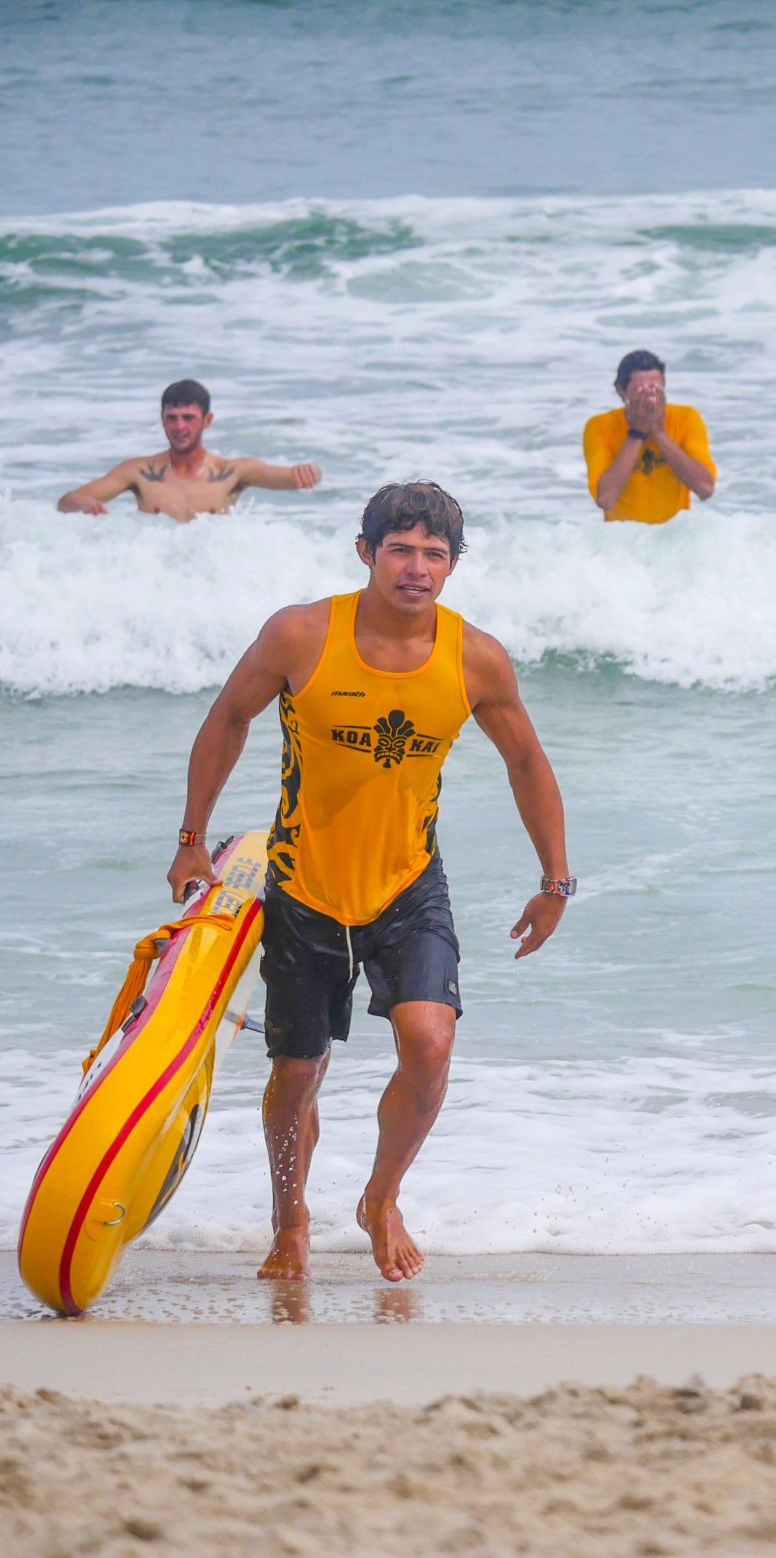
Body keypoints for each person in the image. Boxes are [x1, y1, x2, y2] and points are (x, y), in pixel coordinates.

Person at [165, 480, 573, 1284]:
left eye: (433, 554)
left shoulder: (474, 657)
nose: (416, 567)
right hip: (301, 886)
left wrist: (554, 882)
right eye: (400, 549)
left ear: (453, 566)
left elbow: (525, 760)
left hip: (408, 884)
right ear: (366, 553)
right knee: (296, 1076)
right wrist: (190, 840)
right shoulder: (301, 635)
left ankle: (380, 1198)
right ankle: (290, 1223)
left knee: (428, 1045)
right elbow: (227, 718)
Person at [56, 378, 322, 521]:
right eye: (171, 418)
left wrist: (309, 472)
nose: (179, 426)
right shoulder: (138, 472)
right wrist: (85, 504)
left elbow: (294, 478)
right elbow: (67, 501)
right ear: (162, 419)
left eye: (188, 417)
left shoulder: (232, 472)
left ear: (207, 420)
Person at [583, 349, 716, 523]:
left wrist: (659, 432)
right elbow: (605, 499)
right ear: (621, 391)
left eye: (656, 389)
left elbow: (705, 489)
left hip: (672, 535)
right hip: (621, 538)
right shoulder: (600, 426)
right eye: (641, 391)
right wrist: (636, 433)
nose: (650, 398)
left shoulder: (685, 418)